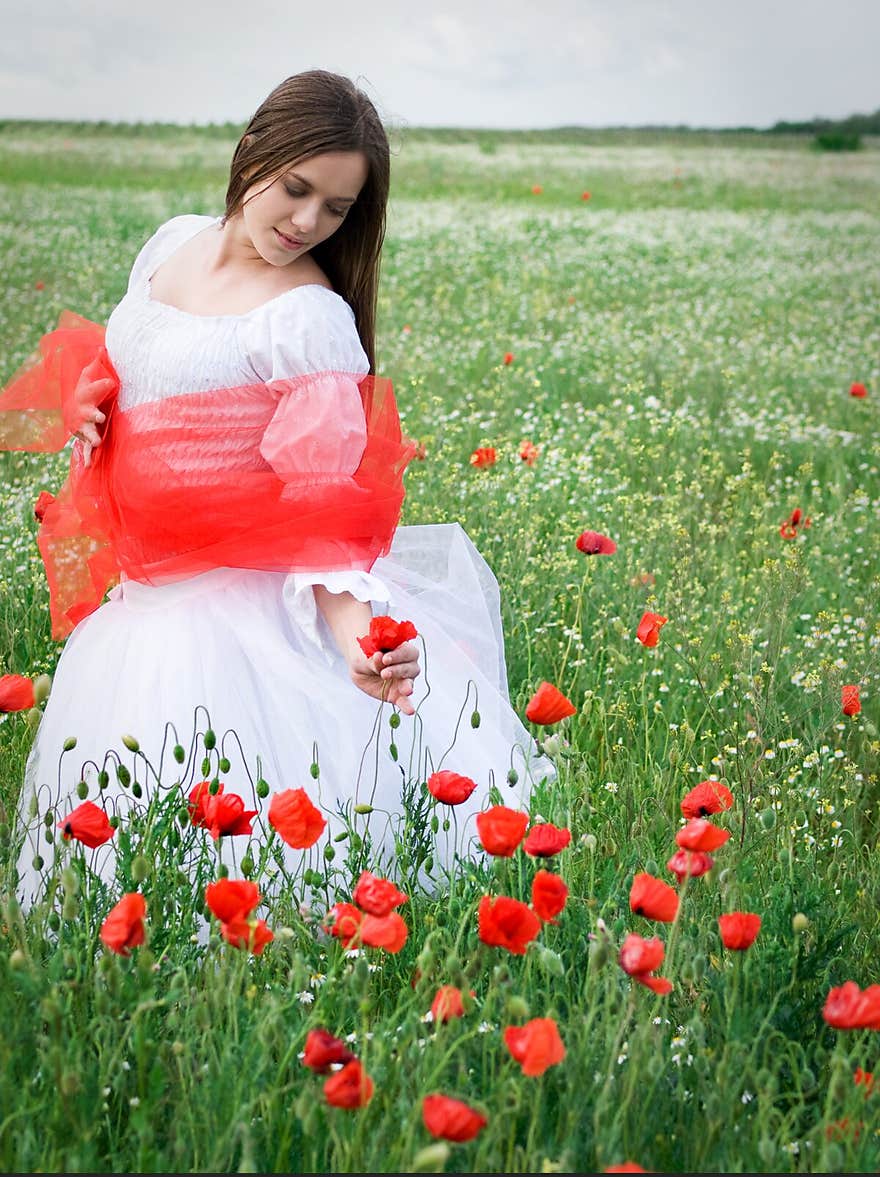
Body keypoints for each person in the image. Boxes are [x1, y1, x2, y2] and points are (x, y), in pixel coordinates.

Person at [0, 70, 554, 917]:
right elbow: (135, 354)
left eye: (336, 210)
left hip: (236, 616)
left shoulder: (304, 321)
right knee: (121, 835)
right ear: (254, 148)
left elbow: (325, 511)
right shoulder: (171, 242)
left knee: (250, 858)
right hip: (143, 603)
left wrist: (357, 633)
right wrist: (90, 400)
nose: (306, 224)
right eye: (297, 190)